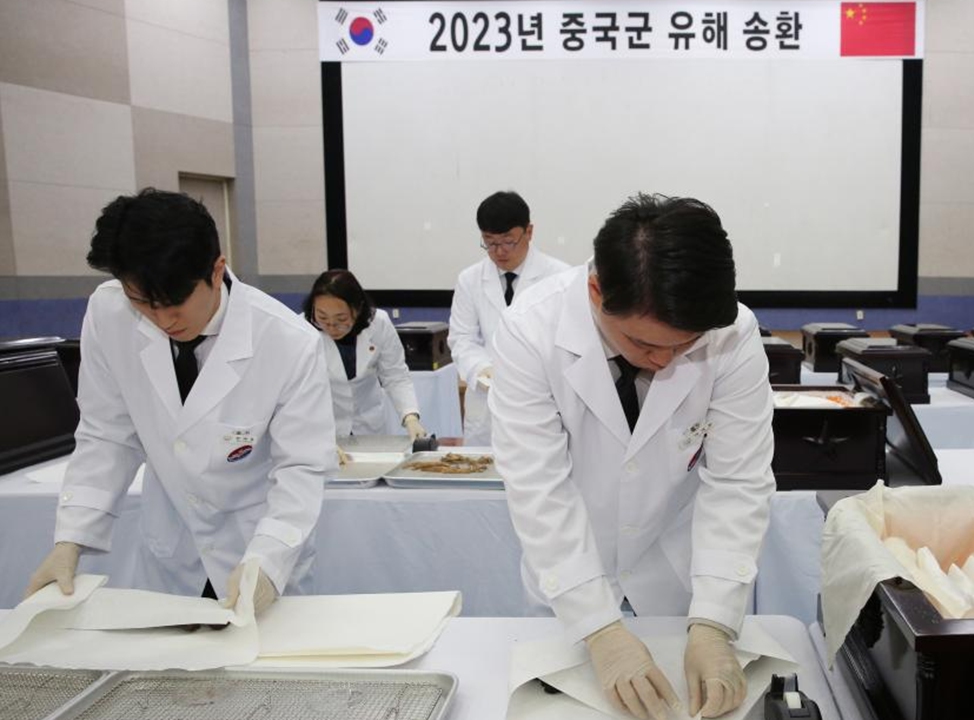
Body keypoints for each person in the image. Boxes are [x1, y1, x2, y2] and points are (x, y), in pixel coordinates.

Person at [489, 194, 775, 719]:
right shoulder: (530, 330)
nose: (664, 361)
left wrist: (712, 622)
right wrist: (600, 631)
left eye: (685, 346)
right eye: (644, 343)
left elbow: (738, 481)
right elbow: (537, 488)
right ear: (597, 292)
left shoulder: (733, 335)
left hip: (681, 577)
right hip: (569, 579)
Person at [24, 189, 337, 615]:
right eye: (143, 304)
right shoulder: (109, 313)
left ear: (216, 269)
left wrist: (268, 560)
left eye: (174, 303)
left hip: (258, 545)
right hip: (172, 549)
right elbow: (107, 433)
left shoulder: (287, 341)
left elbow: (300, 468)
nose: (163, 319)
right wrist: (71, 538)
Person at [448, 191, 569, 445]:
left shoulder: (561, 278)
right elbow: (462, 340)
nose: (499, 251)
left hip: (541, 402)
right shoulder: (469, 280)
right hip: (486, 405)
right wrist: (485, 372)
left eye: (508, 241)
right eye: (490, 242)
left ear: (529, 232)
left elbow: (567, 343)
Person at [303, 269, 427, 439]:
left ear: (358, 308)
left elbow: (395, 375)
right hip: (323, 428)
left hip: (369, 424)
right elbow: (300, 393)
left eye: (341, 319)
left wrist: (410, 417)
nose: (331, 327)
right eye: (322, 318)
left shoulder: (378, 324)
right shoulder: (301, 331)